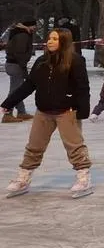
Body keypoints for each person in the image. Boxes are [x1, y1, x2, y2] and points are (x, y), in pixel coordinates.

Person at [1, 28, 92, 197]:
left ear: (64, 41)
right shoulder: (41, 61)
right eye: (49, 38)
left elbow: (82, 87)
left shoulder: (75, 61)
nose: (49, 41)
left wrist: (82, 110)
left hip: (67, 110)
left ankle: (83, 178)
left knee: (74, 146)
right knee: (34, 146)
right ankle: (23, 179)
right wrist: (8, 103)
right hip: (43, 111)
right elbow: (29, 85)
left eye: (55, 39)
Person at [3, 20, 37, 123]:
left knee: (18, 89)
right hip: (16, 65)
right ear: (28, 26)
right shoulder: (23, 35)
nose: (35, 28)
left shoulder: (20, 33)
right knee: (15, 91)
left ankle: (21, 111)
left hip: (14, 64)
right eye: (34, 26)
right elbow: (19, 52)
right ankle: (7, 114)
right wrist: (23, 65)